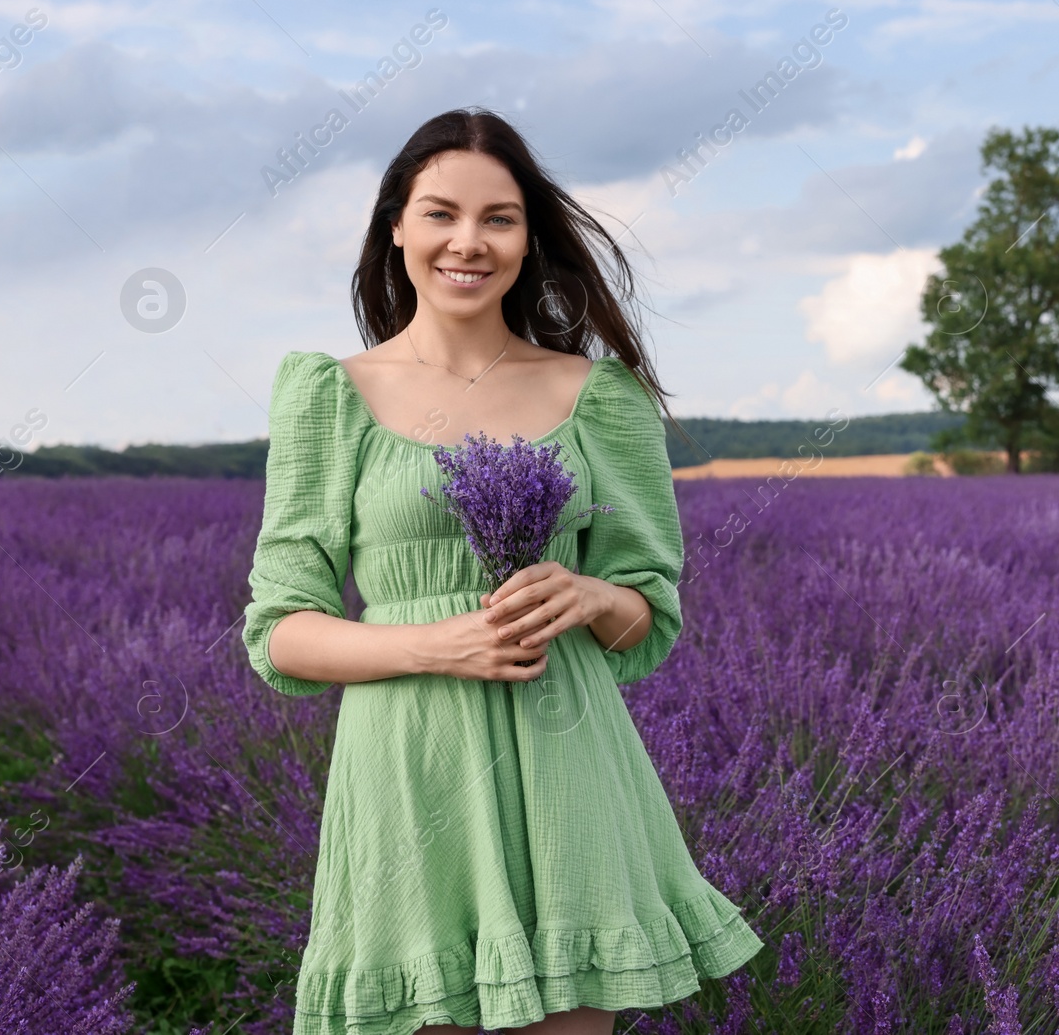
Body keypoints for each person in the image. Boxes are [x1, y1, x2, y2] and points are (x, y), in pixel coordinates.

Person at [241, 108, 764, 1035]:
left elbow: (650, 616)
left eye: (500, 218)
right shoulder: (330, 396)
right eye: (441, 213)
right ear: (395, 224)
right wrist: (432, 642)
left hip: (570, 767)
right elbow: (280, 629)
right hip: (410, 768)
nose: (468, 242)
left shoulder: (600, 397)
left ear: (529, 237)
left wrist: (596, 594)